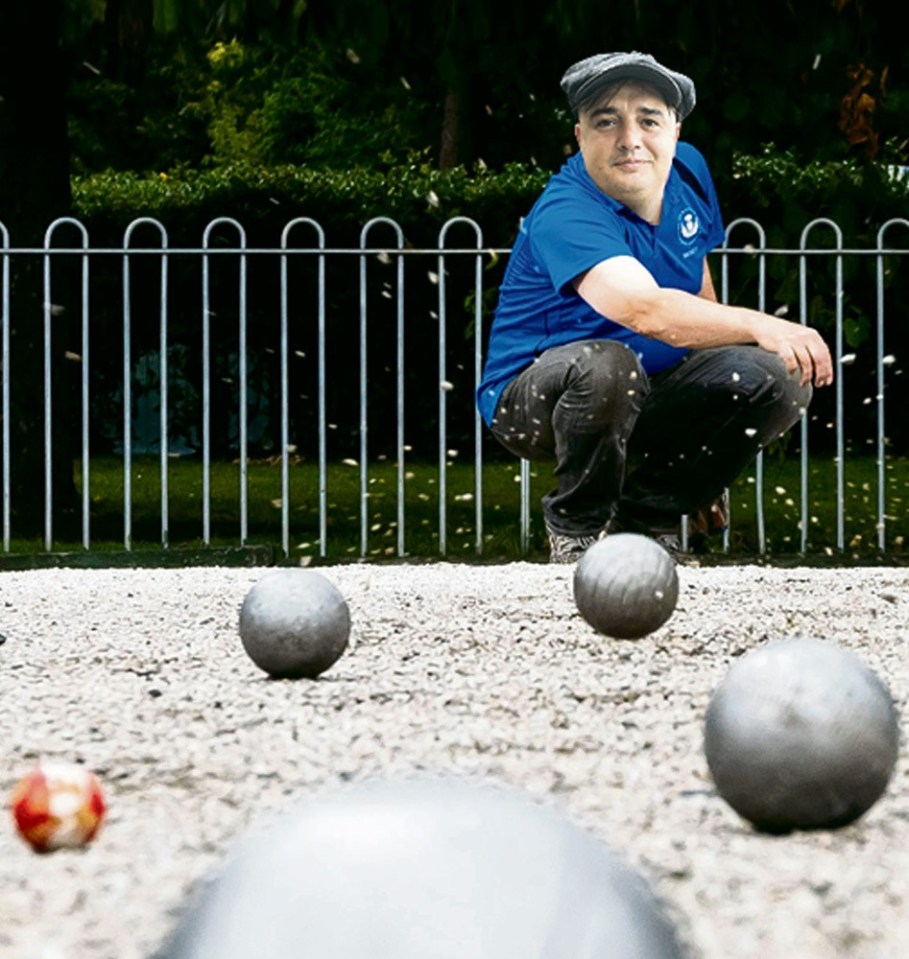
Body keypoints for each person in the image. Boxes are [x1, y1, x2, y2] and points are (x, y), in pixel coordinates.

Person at [477, 51, 833, 564]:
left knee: (781, 371)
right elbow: (645, 311)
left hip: (649, 390)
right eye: (606, 121)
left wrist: (706, 461)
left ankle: (650, 520)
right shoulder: (565, 209)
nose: (630, 139)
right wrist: (761, 323)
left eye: (648, 119)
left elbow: (697, 294)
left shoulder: (687, 171)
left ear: (674, 130)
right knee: (607, 364)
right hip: (533, 402)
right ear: (579, 136)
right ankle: (578, 532)